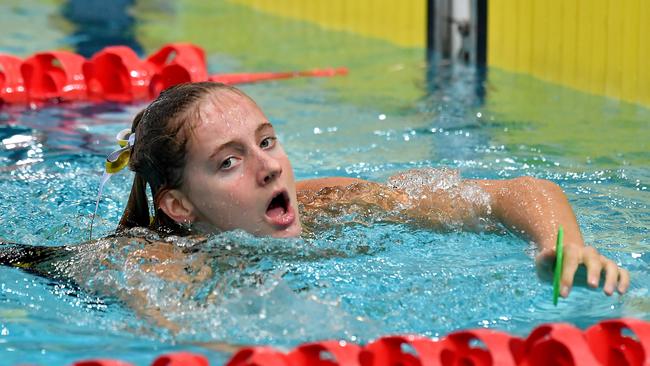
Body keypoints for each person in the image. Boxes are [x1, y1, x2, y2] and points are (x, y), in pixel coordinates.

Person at [109, 81, 627, 299]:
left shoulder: (335, 205)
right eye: (229, 161)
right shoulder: (155, 265)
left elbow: (510, 192)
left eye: (267, 141)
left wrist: (562, 245)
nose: (268, 168)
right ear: (179, 205)